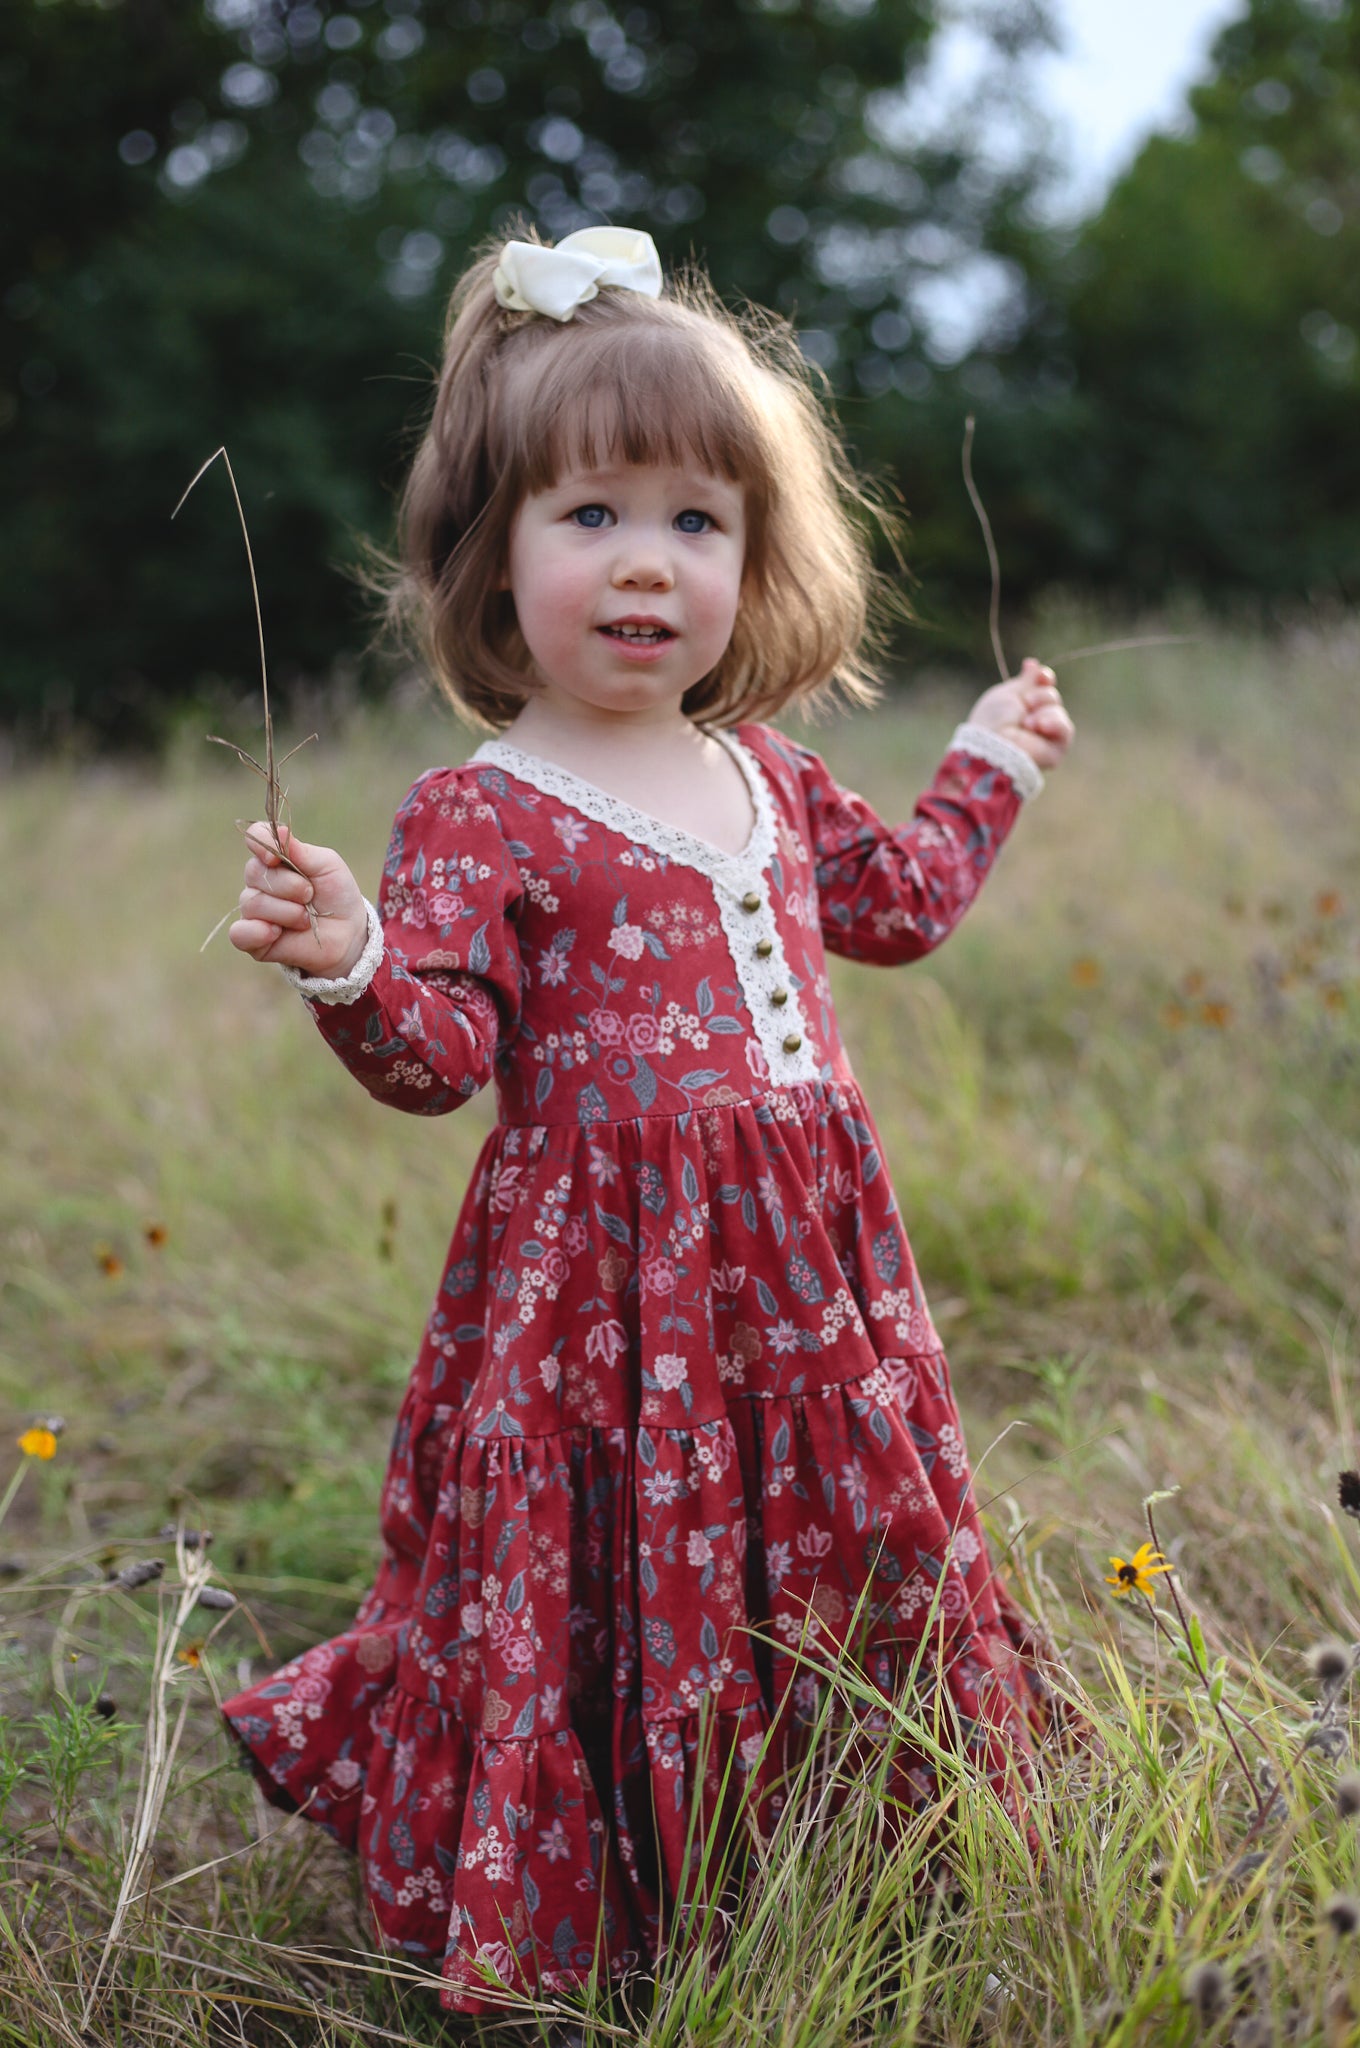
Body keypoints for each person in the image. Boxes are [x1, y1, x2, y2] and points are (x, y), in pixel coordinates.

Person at [220, 224, 1075, 2014]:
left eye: (698, 520)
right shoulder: (486, 808)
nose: (646, 566)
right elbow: (443, 1053)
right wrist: (355, 959)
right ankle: (616, 1918)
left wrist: (989, 756)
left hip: (811, 1284)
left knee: (838, 1555)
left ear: (756, 558)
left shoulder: (761, 766)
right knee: (622, 1596)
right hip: (607, 1310)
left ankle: (848, 1870)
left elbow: (901, 904)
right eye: (589, 514)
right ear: (489, 556)